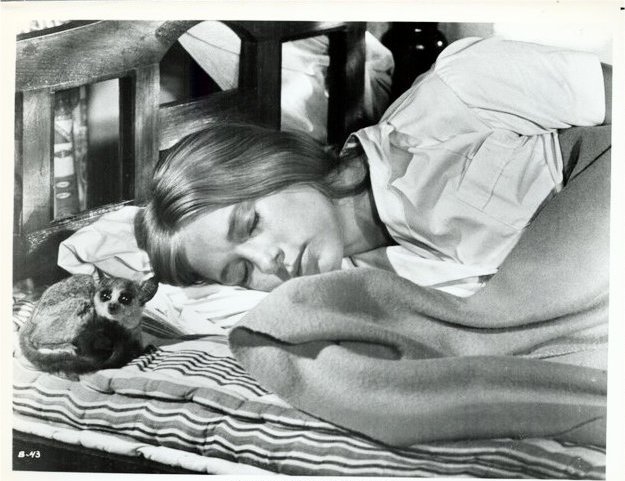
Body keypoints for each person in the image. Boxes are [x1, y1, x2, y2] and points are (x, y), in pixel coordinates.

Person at [135, 37, 612, 296]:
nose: (267, 262)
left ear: (272, 164)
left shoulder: (459, 89)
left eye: (249, 223)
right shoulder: (371, 298)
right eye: (240, 273)